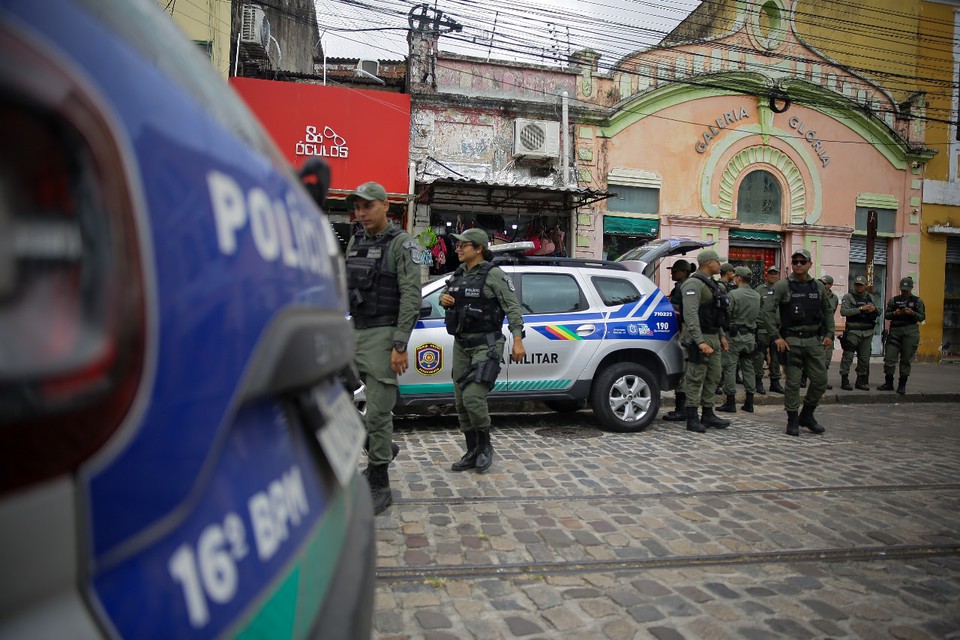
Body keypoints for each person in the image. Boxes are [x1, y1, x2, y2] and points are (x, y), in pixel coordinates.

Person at [345, 181, 422, 515]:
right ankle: (380, 445)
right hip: (353, 331)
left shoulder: (403, 244)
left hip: (383, 334)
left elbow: (412, 296)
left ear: (385, 205)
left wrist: (400, 343)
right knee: (327, 397)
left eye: (367, 206)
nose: (361, 213)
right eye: (357, 207)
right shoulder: (355, 239)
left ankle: (379, 481)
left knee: (377, 411)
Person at [439, 228, 525, 472]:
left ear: (478, 249)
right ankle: (472, 450)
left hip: (486, 344)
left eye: (463, 245)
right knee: (460, 401)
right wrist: (442, 299)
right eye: (458, 245)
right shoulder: (458, 274)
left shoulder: (494, 275)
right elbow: (447, 297)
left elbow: (513, 308)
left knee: (473, 397)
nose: (458, 249)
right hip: (461, 345)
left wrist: (518, 339)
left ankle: (486, 446)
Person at [772, 249, 835, 437]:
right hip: (791, 340)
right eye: (795, 261)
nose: (798, 265)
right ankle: (792, 420)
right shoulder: (783, 286)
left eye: (802, 261)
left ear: (809, 264)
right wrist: (776, 336)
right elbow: (767, 311)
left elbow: (827, 311)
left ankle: (807, 415)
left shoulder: (817, 286)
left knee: (820, 381)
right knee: (792, 383)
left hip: (814, 341)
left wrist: (830, 333)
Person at [679, 249, 731, 433]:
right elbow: (691, 314)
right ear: (709, 263)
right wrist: (700, 341)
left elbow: (716, 313)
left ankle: (708, 413)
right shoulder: (693, 284)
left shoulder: (712, 284)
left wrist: (722, 335)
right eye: (718, 262)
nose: (720, 265)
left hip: (714, 336)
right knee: (695, 378)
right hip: (698, 337)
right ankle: (692, 417)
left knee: (714, 376)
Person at [717, 266, 761, 413]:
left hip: (734, 336)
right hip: (750, 336)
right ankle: (750, 401)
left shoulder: (733, 294)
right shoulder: (757, 295)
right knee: (748, 368)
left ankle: (730, 402)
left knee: (730, 367)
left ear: (739, 278)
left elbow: (726, 314)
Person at [878, 277, 926, 394]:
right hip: (895, 331)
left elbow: (922, 318)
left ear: (911, 289)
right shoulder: (894, 301)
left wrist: (912, 313)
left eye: (906, 290)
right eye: (903, 290)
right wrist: (895, 313)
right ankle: (889, 383)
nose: (904, 292)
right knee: (889, 358)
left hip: (910, 331)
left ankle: (902, 385)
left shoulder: (917, 301)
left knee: (905, 359)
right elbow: (887, 315)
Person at [662, 259, 693, 422]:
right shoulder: (684, 286)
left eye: (675, 271)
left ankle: (682, 409)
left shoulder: (683, 287)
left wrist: (667, 305)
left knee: (684, 371)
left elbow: (683, 310)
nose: (672, 273)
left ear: (683, 272)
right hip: (685, 332)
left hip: (684, 332)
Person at [838, 275, 879, 391]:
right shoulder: (849, 297)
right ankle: (844, 380)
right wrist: (861, 309)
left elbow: (879, 311)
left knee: (864, 358)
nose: (859, 287)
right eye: (857, 284)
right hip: (853, 332)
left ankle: (860, 381)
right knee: (848, 357)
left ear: (866, 285)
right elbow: (844, 311)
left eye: (861, 285)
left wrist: (873, 309)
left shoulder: (871, 298)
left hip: (867, 332)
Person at [753, 265, 784, 395]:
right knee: (759, 357)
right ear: (767, 275)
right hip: (762, 329)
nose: (773, 276)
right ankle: (758, 382)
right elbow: (754, 308)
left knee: (776, 357)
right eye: (771, 273)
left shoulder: (783, 289)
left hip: (777, 330)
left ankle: (775, 383)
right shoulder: (759, 290)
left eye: (775, 273)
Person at [819, 275, 840, 389]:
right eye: (821, 283)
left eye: (824, 283)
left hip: (828, 330)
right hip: (816, 330)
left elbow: (831, 312)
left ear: (830, 285)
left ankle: (823, 381)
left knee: (826, 358)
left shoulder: (834, 298)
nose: (822, 285)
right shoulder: (815, 295)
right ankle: (804, 378)